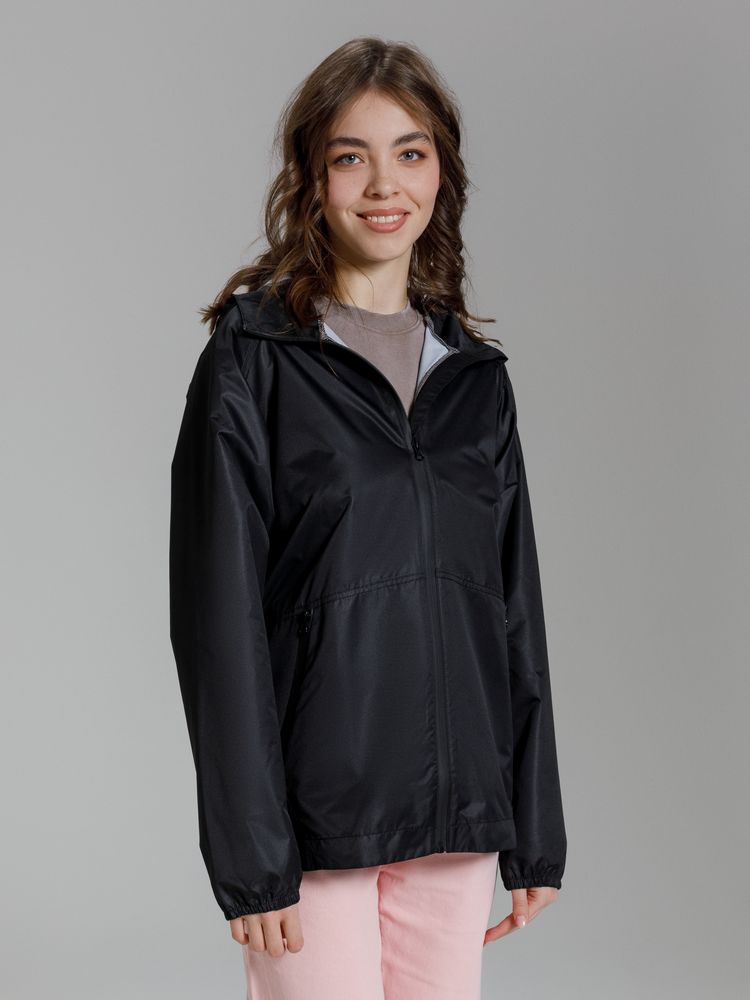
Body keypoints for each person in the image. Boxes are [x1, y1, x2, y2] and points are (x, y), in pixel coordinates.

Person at [169, 35, 567, 1000]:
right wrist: (252, 859)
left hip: (458, 819)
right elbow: (217, 623)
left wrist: (534, 830)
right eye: (352, 156)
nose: (385, 184)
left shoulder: (476, 379)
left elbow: (512, 610)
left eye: (410, 152)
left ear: (441, 174)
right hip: (316, 825)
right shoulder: (254, 361)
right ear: (313, 180)